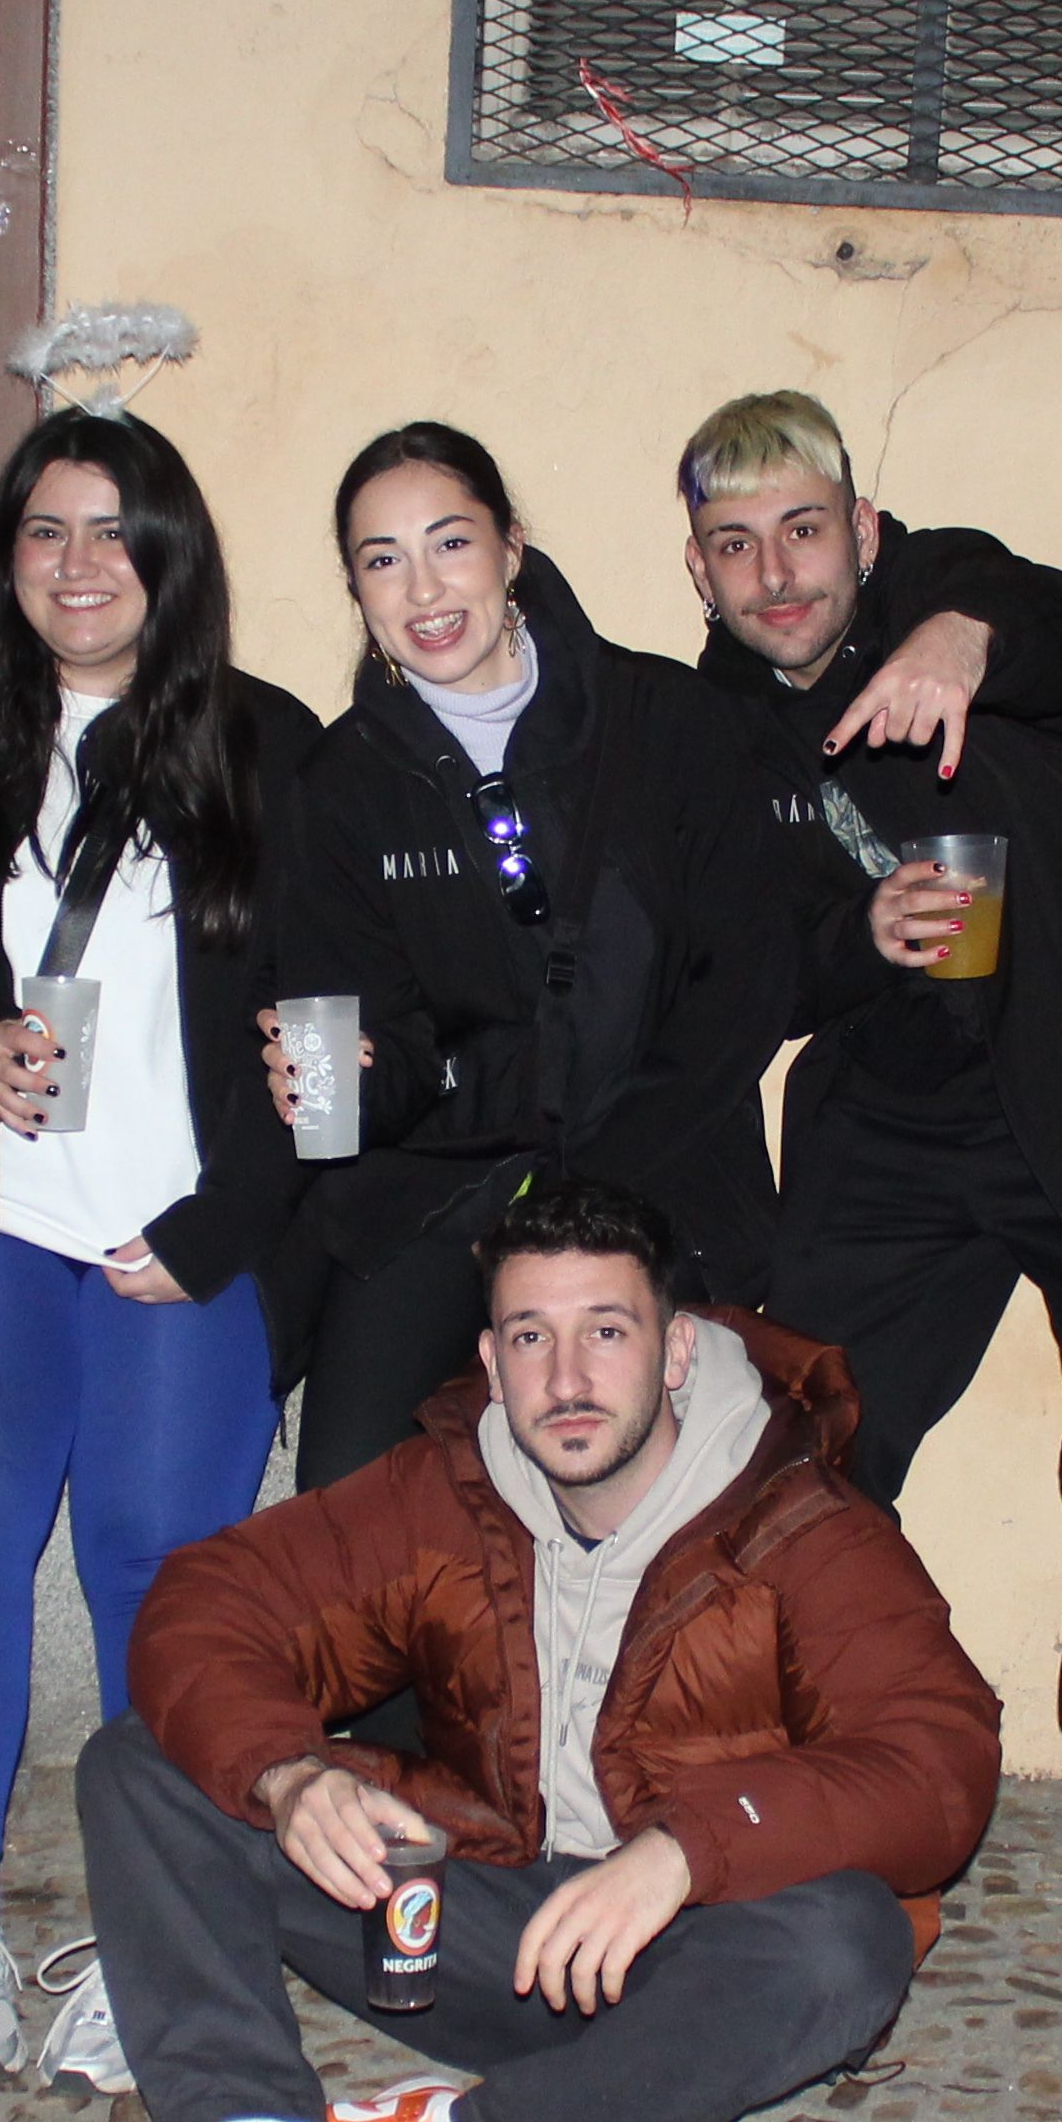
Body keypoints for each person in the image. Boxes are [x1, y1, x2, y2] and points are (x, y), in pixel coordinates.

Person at [81, 1174, 998, 2122]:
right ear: (492, 1354)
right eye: (532, 1338)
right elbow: (213, 1600)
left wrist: (689, 1849)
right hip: (487, 1917)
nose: (567, 1380)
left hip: (685, 1960)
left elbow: (939, 1761)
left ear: (674, 1352)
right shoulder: (444, 1489)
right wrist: (290, 1774)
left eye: (605, 1333)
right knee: (148, 1766)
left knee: (847, 1946)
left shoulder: (800, 1523)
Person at [698, 389, 1062, 2013]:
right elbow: (740, 971)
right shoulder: (719, 734)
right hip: (892, 1142)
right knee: (792, 1461)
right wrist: (848, 946)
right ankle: (837, 1829)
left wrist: (943, 639)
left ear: (860, 531)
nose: (775, 572)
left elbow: (1048, 613)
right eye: (734, 545)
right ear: (700, 569)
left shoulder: (959, 594)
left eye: (803, 530)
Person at [0, 410, 326, 2095]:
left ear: (170, 560)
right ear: (7, 555)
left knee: (165, 1570)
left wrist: (221, 1227)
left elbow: (324, 1030)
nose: (76, 565)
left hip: (176, 1233)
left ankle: (151, 1934)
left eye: (113, 533)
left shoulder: (264, 747)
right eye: (46, 531)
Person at [271, 423, 803, 1496]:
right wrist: (352, 1081)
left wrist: (607, 1183)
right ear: (356, 589)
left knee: (669, 1499)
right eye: (383, 560)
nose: (424, 588)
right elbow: (396, 1047)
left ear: (512, 547)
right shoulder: (343, 785)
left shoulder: (667, 724)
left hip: (662, 1171)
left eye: (451, 542)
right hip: (451, 1186)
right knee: (352, 1499)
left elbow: (749, 981)